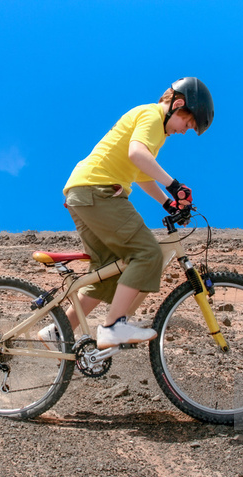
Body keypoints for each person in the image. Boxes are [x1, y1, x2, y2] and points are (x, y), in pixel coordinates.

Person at [39, 77, 214, 350]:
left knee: (107, 274)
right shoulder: (153, 116)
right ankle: (113, 327)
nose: (184, 131)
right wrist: (175, 186)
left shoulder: (154, 127)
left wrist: (168, 203)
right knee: (148, 254)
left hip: (83, 194)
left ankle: (57, 331)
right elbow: (137, 154)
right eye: (187, 123)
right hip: (98, 191)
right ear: (177, 105)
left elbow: (142, 173)